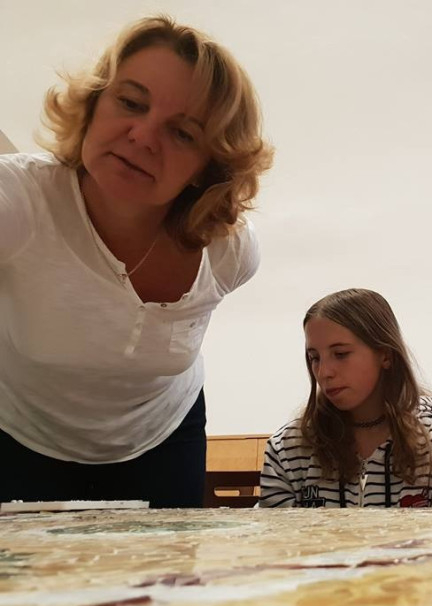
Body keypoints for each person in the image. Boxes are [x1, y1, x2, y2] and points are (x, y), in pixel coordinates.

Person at [0, 15, 273, 507]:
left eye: (182, 133)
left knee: (163, 560)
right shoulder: (19, 199)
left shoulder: (229, 252)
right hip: (22, 434)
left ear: (208, 166)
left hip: (162, 438)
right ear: (93, 103)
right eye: (130, 102)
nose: (143, 137)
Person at [260, 288, 432, 508]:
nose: (324, 372)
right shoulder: (286, 450)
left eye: (341, 354)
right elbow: (275, 531)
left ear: (385, 355)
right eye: (314, 358)